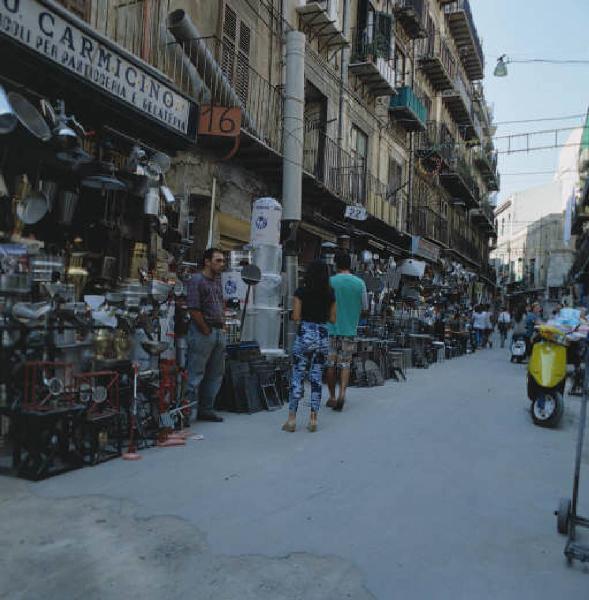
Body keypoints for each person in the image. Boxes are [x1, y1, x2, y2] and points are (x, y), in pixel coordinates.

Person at [283, 261, 336, 433]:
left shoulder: (301, 292)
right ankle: (313, 419)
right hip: (322, 336)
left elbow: (296, 316)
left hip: (305, 334)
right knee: (316, 377)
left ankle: (291, 420)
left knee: (297, 375)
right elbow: (333, 319)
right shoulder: (330, 294)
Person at [185, 248, 227, 423]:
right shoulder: (196, 280)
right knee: (195, 373)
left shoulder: (217, 281)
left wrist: (222, 325)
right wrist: (204, 329)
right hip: (204, 330)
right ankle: (187, 412)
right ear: (207, 262)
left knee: (216, 373)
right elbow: (193, 308)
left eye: (222, 261)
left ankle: (206, 409)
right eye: (218, 260)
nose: (221, 264)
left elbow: (219, 303)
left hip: (217, 331)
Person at [326, 252, 368, 412]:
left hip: (331, 330)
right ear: (350, 265)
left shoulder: (330, 282)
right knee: (345, 364)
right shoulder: (360, 283)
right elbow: (365, 308)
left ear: (336, 265)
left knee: (330, 364)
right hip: (349, 331)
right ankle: (343, 394)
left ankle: (332, 396)